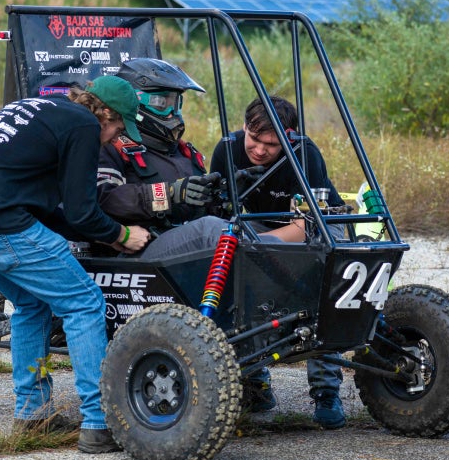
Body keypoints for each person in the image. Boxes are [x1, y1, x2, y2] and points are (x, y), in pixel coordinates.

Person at [0, 76, 151, 454]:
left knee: (33, 303)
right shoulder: (84, 126)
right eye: (119, 127)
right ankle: (100, 423)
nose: (118, 137)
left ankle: (33, 414)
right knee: (84, 301)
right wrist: (121, 235)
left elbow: (55, 211)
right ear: (105, 114)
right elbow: (84, 213)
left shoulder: (41, 109)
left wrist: (101, 232)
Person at [142, 95, 348, 429]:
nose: (261, 150)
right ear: (244, 127)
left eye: (272, 144)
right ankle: (253, 381)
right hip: (259, 226)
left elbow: (312, 223)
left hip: (317, 227)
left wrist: (264, 247)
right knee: (235, 278)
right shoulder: (228, 149)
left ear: (289, 137)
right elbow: (218, 214)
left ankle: (326, 391)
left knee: (317, 290)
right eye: (255, 139)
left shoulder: (304, 154)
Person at [96, 57, 218, 235]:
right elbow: (105, 198)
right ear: (133, 101)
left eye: (175, 104)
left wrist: (222, 195)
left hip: (190, 245)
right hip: (140, 250)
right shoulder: (110, 144)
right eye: (161, 103)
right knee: (211, 232)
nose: (171, 114)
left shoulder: (183, 151)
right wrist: (168, 194)